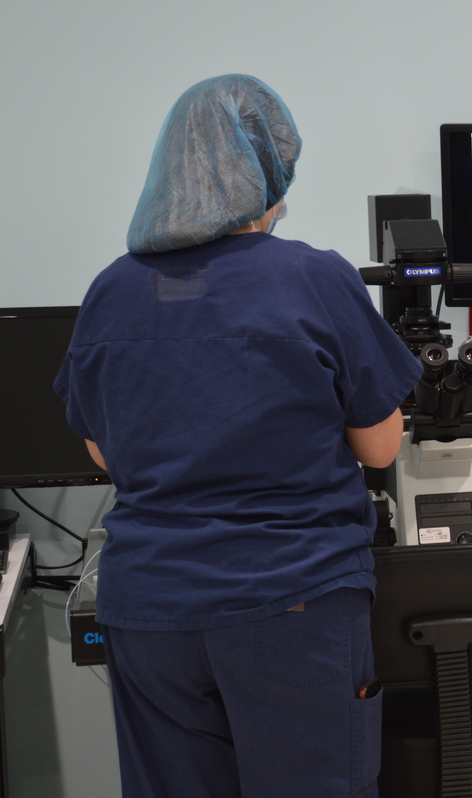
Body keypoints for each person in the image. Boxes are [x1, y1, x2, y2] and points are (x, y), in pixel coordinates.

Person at [54, 75, 423, 798]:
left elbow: (103, 450)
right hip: (290, 603)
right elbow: (380, 449)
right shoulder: (312, 278)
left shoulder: (112, 289)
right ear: (268, 169)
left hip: (149, 609)